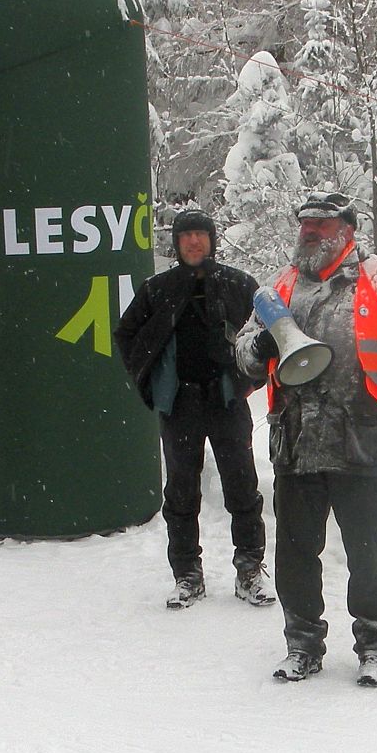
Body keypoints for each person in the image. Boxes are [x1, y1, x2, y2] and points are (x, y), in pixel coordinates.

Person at [236, 192, 377, 687]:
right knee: (295, 553)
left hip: (362, 441)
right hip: (297, 443)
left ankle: (374, 646)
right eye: (305, 224)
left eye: (321, 224)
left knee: (367, 552)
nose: (309, 231)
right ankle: (302, 645)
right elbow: (243, 353)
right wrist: (259, 346)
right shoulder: (281, 286)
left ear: (346, 231)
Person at [113, 208, 272, 609]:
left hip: (227, 400)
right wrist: (152, 384)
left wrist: (248, 380)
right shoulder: (158, 288)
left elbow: (269, 335)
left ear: (212, 240)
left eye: (201, 234)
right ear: (177, 242)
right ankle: (187, 575)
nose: (194, 242)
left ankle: (250, 570)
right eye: (186, 236)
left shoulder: (238, 284)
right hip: (180, 403)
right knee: (181, 492)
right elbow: (127, 334)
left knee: (243, 487)